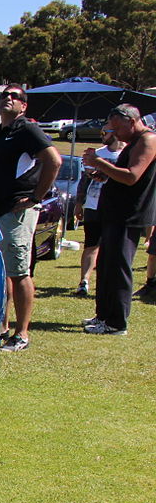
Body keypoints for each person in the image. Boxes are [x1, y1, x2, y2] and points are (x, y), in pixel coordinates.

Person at [0, 83, 62, 352]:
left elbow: (54, 160)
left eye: (16, 97)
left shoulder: (26, 129)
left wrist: (36, 197)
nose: (9, 99)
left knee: (18, 272)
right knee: (2, 272)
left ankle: (22, 333)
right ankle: (2, 327)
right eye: (5, 95)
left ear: (24, 106)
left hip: (16, 213)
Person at [81, 103, 156, 335]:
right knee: (105, 266)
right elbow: (122, 172)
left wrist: (100, 162)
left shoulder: (147, 140)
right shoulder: (133, 142)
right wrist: (103, 174)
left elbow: (133, 176)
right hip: (114, 213)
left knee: (118, 269)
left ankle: (116, 323)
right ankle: (103, 315)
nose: (115, 135)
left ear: (131, 121)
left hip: (128, 215)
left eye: (118, 129)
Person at [74, 125, 125, 296]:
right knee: (91, 245)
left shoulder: (127, 154)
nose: (102, 135)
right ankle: (84, 281)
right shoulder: (97, 153)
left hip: (116, 207)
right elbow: (84, 181)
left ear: (115, 133)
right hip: (93, 205)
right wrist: (79, 203)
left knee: (112, 247)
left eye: (106, 132)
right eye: (101, 132)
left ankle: (108, 284)